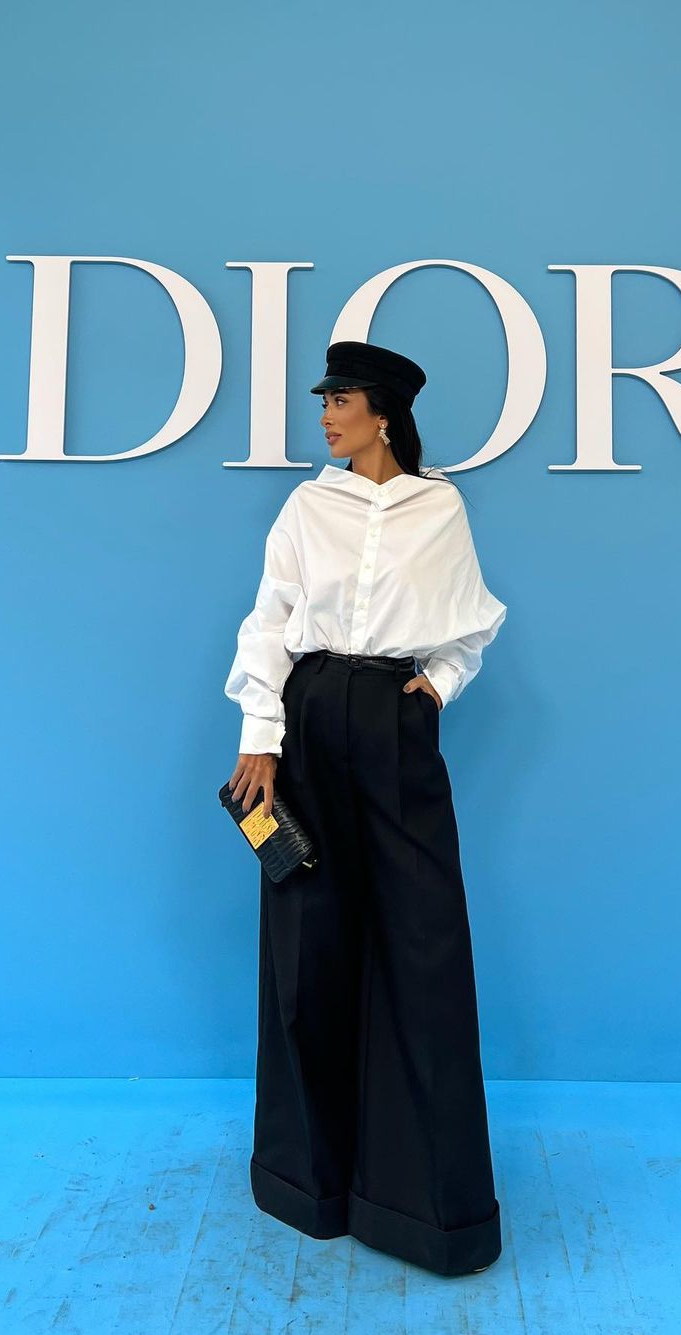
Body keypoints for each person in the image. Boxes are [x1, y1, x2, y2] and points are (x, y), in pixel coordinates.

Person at [223, 340, 507, 1278]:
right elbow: (271, 618)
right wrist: (259, 734)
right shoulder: (309, 507)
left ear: (382, 412)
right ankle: (309, 1183)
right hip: (307, 717)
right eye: (324, 401)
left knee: (423, 946)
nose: (325, 416)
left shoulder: (440, 507)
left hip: (392, 718)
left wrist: (437, 687)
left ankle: (428, 1210)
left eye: (338, 400)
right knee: (308, 942)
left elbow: (470, 623)